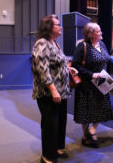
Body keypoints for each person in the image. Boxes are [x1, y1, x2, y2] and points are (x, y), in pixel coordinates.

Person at [71, 22, 113, 148]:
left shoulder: (101, 44)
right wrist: (92, 74)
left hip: (103, 81)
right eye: (98, 31)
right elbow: (76, 65)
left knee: (104, 108)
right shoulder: (82, 46)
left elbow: (108, 59)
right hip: (87, 83)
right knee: (86, 111)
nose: (101, 33)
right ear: (90, 34)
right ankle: (86, 136)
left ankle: (92, 131)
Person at [32, 15, 78, 163]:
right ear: (49, 28)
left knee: (59, 122)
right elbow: (42, 69)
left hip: (61, 92)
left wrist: (70, 70)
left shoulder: (54, 43)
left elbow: (58, 63)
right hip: (48, 93)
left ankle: (56, 148)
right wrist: (52, 90)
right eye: (58, 25)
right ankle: (47, 156)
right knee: (50, 125)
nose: (61, 27)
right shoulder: (42, 43)